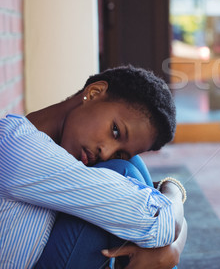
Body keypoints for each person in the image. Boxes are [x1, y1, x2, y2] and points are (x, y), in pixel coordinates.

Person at [0, 66, 188, 269]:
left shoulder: (66, 162)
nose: (106, 152)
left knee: (131, 165)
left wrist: (172, 190)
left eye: (119, 151)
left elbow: (162, 216)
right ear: (94, 93)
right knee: (123, 170)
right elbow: (160, 221)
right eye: (115, 131)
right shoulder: (18, 146)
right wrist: (173, 242)